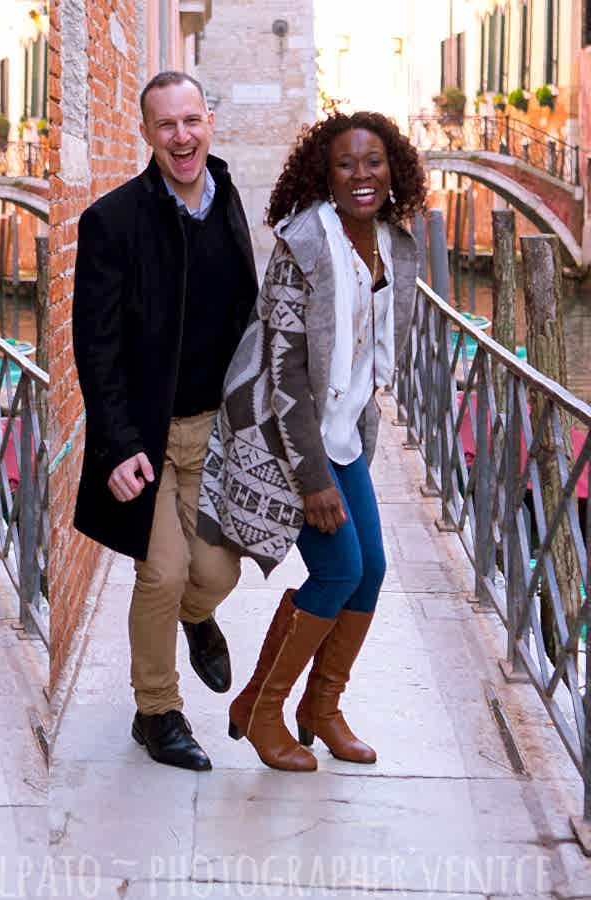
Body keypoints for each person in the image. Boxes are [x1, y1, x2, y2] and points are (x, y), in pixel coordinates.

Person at [199, 111, 424, 771]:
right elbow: (285, 373)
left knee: (371, 569)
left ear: (393, 169)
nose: (363, 175)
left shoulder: (390, 241)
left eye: (374, 161)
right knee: (337, 569)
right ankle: (262, 709)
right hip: (285, 437)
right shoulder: (304, 244)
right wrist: (314, 481)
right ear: (323, 175)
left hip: (342, 432)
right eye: (346, 164)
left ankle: (319, 708)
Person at [71, 71, 259, 771]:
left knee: (215, 571)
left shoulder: (228, 197)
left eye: (191, 121)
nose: (182, 138)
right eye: (166, 126)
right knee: (162, 571)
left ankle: (195, 617)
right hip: (146, 437)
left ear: (209, 120)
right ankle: (157, 712)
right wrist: (117, 444)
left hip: (214, 429)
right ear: (146, 133)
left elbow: (246, 310)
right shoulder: (111, 221)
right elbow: (96, 344)